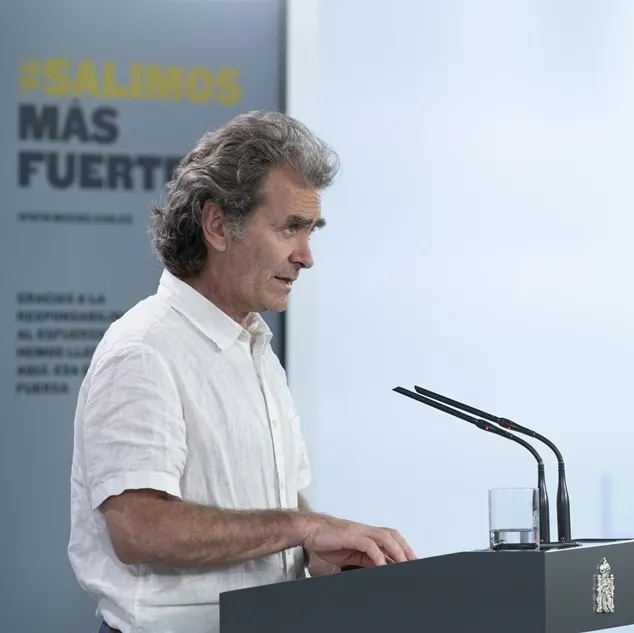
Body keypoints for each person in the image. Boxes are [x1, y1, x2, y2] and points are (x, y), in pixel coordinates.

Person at [67, 110, 416, 633]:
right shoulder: (144, 349)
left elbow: (275, 503)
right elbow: (139, 528)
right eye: (289, 228)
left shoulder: (255, 348)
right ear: (216, 225)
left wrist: (314, 552)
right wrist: (302, 527)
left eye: (311, 231)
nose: (306, 256)